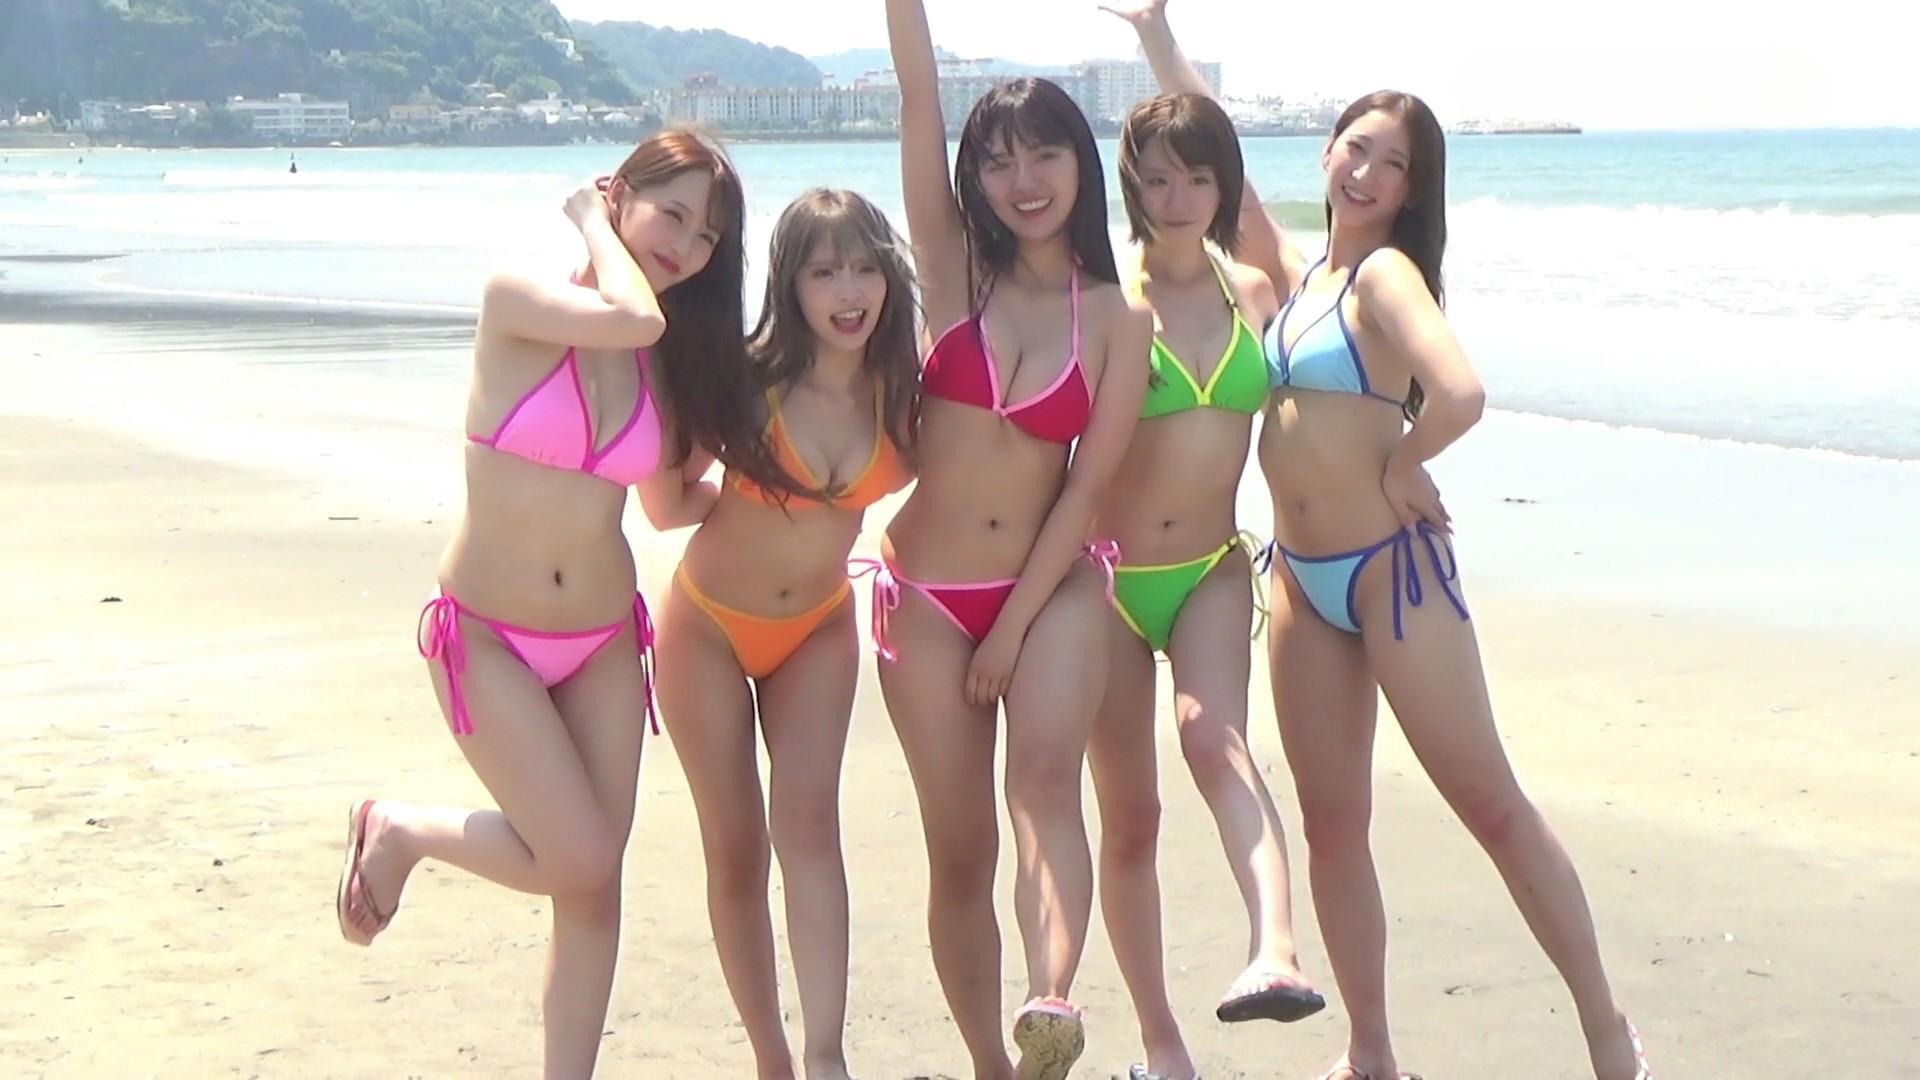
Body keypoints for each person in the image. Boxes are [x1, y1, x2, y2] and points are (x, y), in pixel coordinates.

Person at [1108, 4, 1654, 1078]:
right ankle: (1371, 1054)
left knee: (1490, 804)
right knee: (1333, 829)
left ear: (1411, 190)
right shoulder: (1295, 274)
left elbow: (1461, 392)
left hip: (1391, 576)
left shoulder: (1386, 278)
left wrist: (1403, 465)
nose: (1367, 173)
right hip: (1300, 584)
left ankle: (1607, 1031)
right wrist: (1156, 36)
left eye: (1393, 164)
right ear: (1326, 152)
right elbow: (1220, 167)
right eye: (1356, 148)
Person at [333, 130, 784, 1079]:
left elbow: (666, 506)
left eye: (709, 237)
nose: (688, 247)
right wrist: (587, 220)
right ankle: (405, 829)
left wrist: (782, 502)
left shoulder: (663, 358)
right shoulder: (521, 301)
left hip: (603, 644)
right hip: (488, 638)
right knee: (578, 858)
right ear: (618, 195)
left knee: (592, 889)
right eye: (673, 215)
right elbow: (633, 316)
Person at [872, 0, 1152, 1075]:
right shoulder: (952, 270)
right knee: (961, 850)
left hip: (1051, 588)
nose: (1023, 179)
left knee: (1042, 785)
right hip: (924, 597)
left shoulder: (1117, 321)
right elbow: (917, 100)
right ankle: (997, 1066)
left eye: (1043, 154)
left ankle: (1052, 998)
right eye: (997, 161)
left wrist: (1012, 629)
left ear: (1080, 164)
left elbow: (1086, 492)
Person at [1083, 71, 1326, 1080]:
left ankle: (1277, 950)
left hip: (1213, 569)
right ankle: (1162, 1044)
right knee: (1129, 815)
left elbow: (1331, 391)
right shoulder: (1104, 300)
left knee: (1213, 738)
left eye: (1196, 177)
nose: (1176, 197)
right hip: (1105, 584)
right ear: (1130, 187)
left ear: (1224, 184)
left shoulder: (1253, 291)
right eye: (1155, 179)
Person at [649, 188, 918, 1080]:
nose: (849, 291)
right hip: (708, 628)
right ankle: (774, 1059)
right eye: (824, 271)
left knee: (810, 828)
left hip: (817, 628)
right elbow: (666, 502)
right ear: (790, 283)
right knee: (736, 848)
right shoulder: (750, 380)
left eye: (866, 268)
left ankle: (826, 1056)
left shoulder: (903, 393)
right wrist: (742, 496)